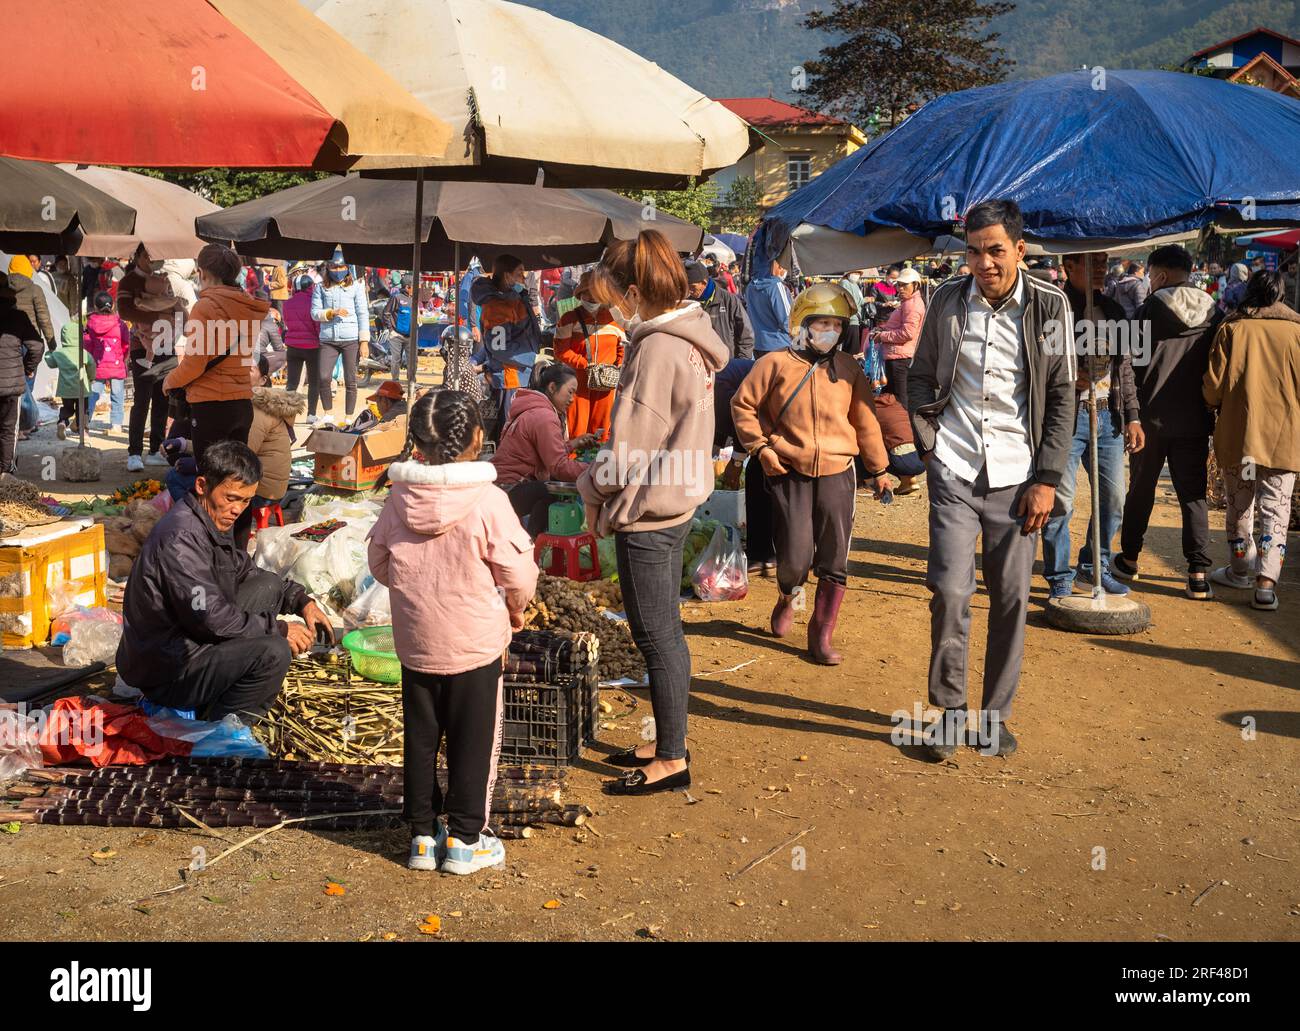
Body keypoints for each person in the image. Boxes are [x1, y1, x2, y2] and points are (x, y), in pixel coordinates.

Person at [907, 199, 1077, 760]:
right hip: (954, 466)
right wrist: (930, 447)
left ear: (1020, 250)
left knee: (1010, 598)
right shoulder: (948, 302)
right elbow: (921, 377)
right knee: (950, 590)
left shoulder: (1050, 308)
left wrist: (1048, 478)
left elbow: (1060, 396)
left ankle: (994, 716)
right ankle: (951, 712)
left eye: (995, 251)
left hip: (1019, 477)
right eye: (974, 251)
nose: (983, 263)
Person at [579, 230, 728, 795]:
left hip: (650, 512)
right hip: (679, 499)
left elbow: (626, 455)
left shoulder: (656, 349)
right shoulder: (691, 338)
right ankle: (669, 741)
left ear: (635, 292)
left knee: (656, 634)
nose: (611, 308)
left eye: (614, 297)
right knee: (666, 631)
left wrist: (589, 484)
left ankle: (670, 758)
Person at [367, 390, 537, 875]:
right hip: (475, 646)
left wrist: (416, 592)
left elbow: (379, 561)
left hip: (417, 643)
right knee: (473, 742)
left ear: (416, 443)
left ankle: (422, 837)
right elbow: (519, 575)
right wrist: (514, 609)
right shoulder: (489, 500)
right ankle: (465, 841)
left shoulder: (398, 497)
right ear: (480, 438)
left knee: (420, 738)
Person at [731, 283, 891, 665]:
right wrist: (762, 449)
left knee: (835, 555)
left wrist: (880, 468)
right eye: (821, 322)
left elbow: (865, 422)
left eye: (836, 324)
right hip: (789, 469)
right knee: (795, 555)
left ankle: (821, 633)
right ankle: (788, 595)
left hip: (839, 470)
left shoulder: (850, 369)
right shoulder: (774, 364)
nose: (830, 331)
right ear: (803, 324)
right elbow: (742, 406)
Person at [116, 440, 333, 721]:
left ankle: (223, 693)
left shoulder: (211, 518)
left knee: (269, 586)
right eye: (231, 498)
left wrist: (301, 601)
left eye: (245, 500)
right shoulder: (181, 538)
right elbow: (212, 619)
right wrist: (278, 628)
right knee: (274, 651)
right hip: (168, 668)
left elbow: (245, 571)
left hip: (191, 636)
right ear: (202, 485)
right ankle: (220, 729)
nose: (237, 509)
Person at [1115, 244, 1221, 599]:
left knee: (1141, 490)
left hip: (1149, 420)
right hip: (1195, 420)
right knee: (1192, 495)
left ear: (1159, 275)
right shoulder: (1214, 313)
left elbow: (1129, 362)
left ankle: (1129, 558)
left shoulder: (1147, 311)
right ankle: (1198, 572)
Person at [1041, 252, 1144, 600]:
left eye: (1102, 263)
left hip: (1108, 417)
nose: (1100, 270)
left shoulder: (1115, 312)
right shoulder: (1052, 309)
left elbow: (1125, 369)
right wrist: (1068, 381)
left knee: (1113, 501)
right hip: (1065, 420)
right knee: (1060, 501)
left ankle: (1093, 567)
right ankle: (1058, 576)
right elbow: (1035, 365)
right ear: (1069, 267)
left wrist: (1132, 415)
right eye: (1091, 263)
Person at [1203, 270, 1300, 611]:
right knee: (1276, 510)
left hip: (1240, 440)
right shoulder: (1297, 332)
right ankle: (1266, 585)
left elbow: (1212, 386)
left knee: (1239, 505)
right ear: (1281, 296)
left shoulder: (1232, 329)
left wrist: (1216, 405)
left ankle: (1240, 568)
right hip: (1284, 441)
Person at [164, 242, 267, 462]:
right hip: (241, 402)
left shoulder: (205, 307)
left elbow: (195, 363)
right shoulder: (247, 304)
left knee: (211, 476)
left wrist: (170, 381)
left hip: (211, 403)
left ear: (201, 273)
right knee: (234, 475)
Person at [492, 362, 595, 535]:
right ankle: (535, 542)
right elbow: (560, 467)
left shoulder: (534, 409)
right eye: (570, 392)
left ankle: (534, 540)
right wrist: (596, 469)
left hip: (501, 485)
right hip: (509, 488)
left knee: (552, 485)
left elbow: (547, 452)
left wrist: (574, 444)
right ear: (553, 387)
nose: (572, 399)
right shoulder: (544, 416)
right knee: (554, 491)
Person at [118, 244, 189, 471]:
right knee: (141, 399)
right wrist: (159, 314)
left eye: (155, 255)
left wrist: (172, 311)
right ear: (137, 256)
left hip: (167, 344)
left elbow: (176, 306)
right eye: (147, 255)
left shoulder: (164, 280)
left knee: (163, 397)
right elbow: (125, 311)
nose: (151, 260)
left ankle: (156, 448)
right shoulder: (128, 281)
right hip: (142, 346)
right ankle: (134, 452)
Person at [712, 356, 776, 574]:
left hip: (773, 424)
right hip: (772, 422)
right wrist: (712, 452)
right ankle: (766, 551)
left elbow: (740, 417)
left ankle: (764, 555)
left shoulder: (716, 385)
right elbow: (721, 424)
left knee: (758, 479)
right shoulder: (713, 382)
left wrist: (736, 462)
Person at [470, 254, 542, 427]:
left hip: (519, 375)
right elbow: (499, 348)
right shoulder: (498, 306)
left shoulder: (513, 300)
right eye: (519, 273)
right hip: (510, 378)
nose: (524, 279)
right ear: (507, 276)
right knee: (510, 429)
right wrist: (532, 357)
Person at [553, 270, 626, 439]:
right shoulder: (568, 318)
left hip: (607, 384)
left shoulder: (614, 318)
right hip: (578, 384)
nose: (592, 298)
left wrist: (617, 367)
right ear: (581, 294)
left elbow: (622, 347)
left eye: (597, 294)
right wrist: (585, 364)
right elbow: (561, 351)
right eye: (588, 293)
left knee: (603, 429)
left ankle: (600, 463)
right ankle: (574, 463)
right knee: (577, 428)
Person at [311, 248, 370, 418]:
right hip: (328, 338)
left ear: (347, 268)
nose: (338, 271)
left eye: (341, 267)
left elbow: (362, 313)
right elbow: (314, 313)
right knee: (323, 377)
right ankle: (328, 414)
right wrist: (331, 312)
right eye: (334, 268)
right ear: (328, 268)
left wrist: (364, 341)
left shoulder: (356, 286)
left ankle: (349, 416)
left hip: (350, 339)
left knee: (351, 380)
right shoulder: (320, 287)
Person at [0, 277, 42, 476]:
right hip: (12, 385)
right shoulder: (18, 317)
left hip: (11, 383)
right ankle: (6, 474)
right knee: (9, 430)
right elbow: (37, 346)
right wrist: (27, 369)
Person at [873, 266, 926, 400]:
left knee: (899, 400)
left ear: (915, 285)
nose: (900, 288)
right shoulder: (908, 302)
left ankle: (905, 422)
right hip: (897, 356)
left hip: (900, 359)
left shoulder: (912, 304)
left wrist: (882, 336)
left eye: (904, 285)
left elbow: (907, 333)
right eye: (899, 285)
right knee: (895, 399)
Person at [686, 259, 753, 359]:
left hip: (728, 364)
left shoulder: (730, 300)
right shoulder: (688, 303)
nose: (689, 291)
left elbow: (746, 335)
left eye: (692, 287)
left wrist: (741, 362)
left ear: (704, 283)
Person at [82, 291, 129, 432]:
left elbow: (87, 343)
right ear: (113, 305)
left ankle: (85, 419)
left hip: (98, 364)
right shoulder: (120, 324)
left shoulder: (90, 323)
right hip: (116, 363)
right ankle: (116, 424)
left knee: (93, 394)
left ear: (95, 307)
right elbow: (126, 344)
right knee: (117, 395)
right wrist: (123, 358)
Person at [744, 227, 794, 355]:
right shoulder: (775, 286)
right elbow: (787, 321)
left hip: (758, 345)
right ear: (774, 264)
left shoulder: (750, 287)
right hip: (779, 346)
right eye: (781, 265)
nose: (783, 269)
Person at [46, 322, 97, 439]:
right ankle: (82, 430)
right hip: (82, 388)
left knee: (67, 409)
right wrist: (91, 377)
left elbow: (50, 363)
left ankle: (62, 422)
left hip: (66, 390)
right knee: (82, 410)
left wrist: (49, 353)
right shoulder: (83, 353)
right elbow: (92, 365)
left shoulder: (59, 353)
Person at [282, 274, 320, 420]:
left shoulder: (287, 303)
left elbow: (287, 323)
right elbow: (317, 325)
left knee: (292, 382)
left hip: (293, 346)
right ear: (310, 286)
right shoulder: (314, 302)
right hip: (312, 347)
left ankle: (288, 414)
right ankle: (311, 414)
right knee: (313, 382)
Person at [5, 255, 53, 347]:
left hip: (7, 339)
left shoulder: (3, 288)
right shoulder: (35, 290)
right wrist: (51, 342)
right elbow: (44, 318)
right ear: (27, 268)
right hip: (31, 339)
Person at [838, 269, 867, 354]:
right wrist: (865, 300)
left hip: (856, 319)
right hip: (851, 318)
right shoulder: (845, 283)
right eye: (854, 272)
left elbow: (858, 300)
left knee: (853, 347)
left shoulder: (855, 284)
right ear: (848, 273)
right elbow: (850, 300)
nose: (856, 275)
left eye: (858, 273)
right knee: (852, 349)